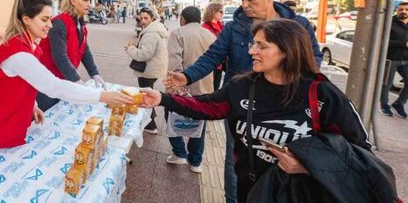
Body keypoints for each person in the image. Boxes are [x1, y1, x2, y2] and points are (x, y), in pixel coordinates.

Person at [145, 19, 370, 203]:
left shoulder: (322, 95)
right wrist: (163, 99)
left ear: (288, 50)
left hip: (304, 193)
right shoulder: (242, 85)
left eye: (262, 46)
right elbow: (210, 106)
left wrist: (308, 166)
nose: (252, 51)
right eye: (253, 44)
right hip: (250, 189)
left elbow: (359, 151)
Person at [163, 0, 322, 203]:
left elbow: (312, 62)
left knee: (280, 162)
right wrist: (186, 76)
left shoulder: (300, 26)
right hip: (241, 105)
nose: (245, 4)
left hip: (285, 108)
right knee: (235, 159)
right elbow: (212, 57)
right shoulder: (234, 27)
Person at [0, 0, 133, 169]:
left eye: (50, 18)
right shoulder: (19, 53)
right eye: (44, 19)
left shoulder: (28, 45)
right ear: (26, 19)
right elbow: (54, 86)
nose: (50, 24)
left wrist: (32, 104)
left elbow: (18, 82)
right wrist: (101, 96)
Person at [37, 0, 108, 111]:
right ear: (73, 1)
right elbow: (60, 57)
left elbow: (84, 49)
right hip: (48, 82)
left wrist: (94, 73)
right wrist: (77, 81)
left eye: (90, 0)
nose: (90, 4)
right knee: (47, 117)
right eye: (85, 0)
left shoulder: (80, 22)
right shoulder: (59, 23)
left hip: (64, 79)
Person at [165, 6, 216, 172]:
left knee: (171, 118)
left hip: (181, 87)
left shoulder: (178, 33)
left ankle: (179, 153)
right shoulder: (210, 35)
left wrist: (176, 86)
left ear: (182, 19)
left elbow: (174, 62)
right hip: (204, 89)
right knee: (200, 124)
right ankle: (195, 162)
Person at [125, 8, 168, 134]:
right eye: (141, 18)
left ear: (152, 19)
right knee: (148, 94)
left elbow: (144, 55)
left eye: (146, 18)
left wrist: (130, 48)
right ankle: (149, 122)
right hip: (153, 69)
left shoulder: (151, 33)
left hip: (148, 70)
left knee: (146, 97)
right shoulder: (155, 29)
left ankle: (150, 125)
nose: (143, 21)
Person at [379, 1, 408, 118]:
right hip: (391, 58)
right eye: (400, 9)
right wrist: (403, 44)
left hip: (406, 60)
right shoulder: (390, 23)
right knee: (387, 84)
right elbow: (383, 41)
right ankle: (384, 105)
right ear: (397, 10)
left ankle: (399, 103)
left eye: (406, 9)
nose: (403, 11)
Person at [202, 3, 225, 90]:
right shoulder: (205, 27)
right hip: (211, 61)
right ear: (213, 12)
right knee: (210, 88)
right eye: (220, 11)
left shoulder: (221, 26)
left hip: (220, 62)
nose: (222, 14)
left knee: (216, 86)